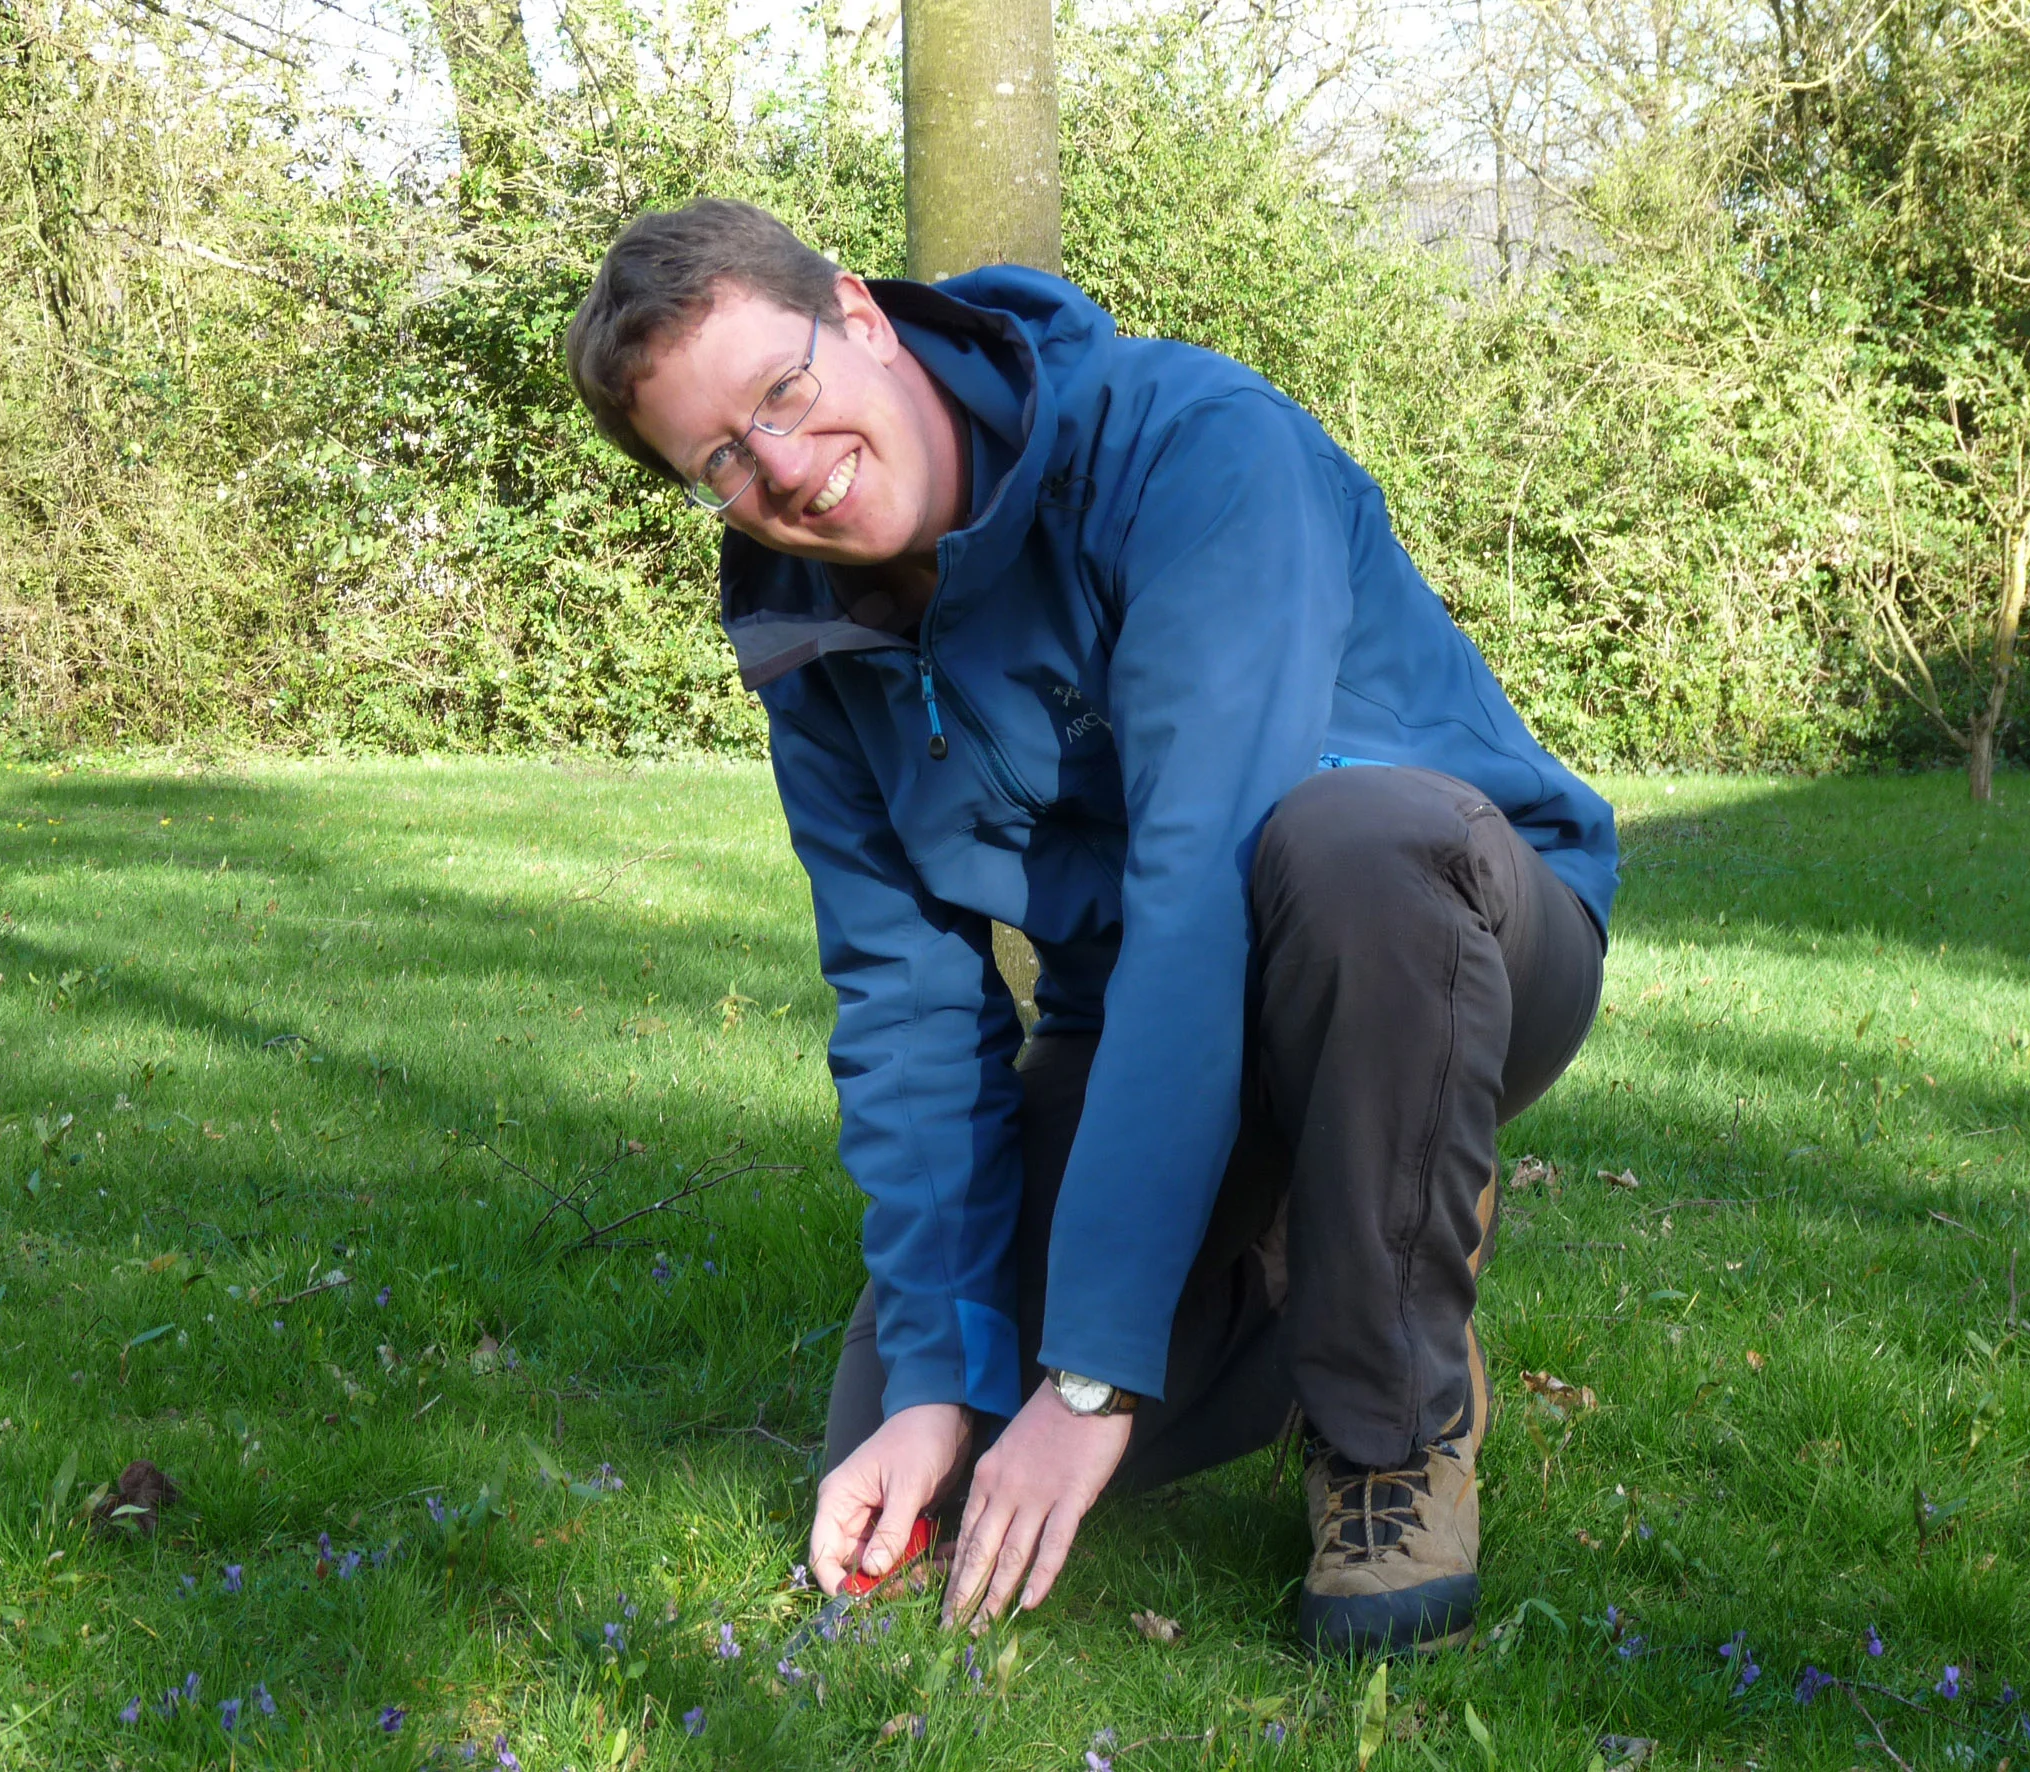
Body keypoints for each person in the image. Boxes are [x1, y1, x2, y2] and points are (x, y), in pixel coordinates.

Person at [565, 198, 1617, 1655]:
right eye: (721, 462)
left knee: (1348, 840)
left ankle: (1390, 1423)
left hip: (1436, 940)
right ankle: (1316, 1236)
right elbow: (905, 1001)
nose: (784, 472)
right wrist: (940, 1376)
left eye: (783, 393)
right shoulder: (807, 636)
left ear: (860, 318)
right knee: (922, 1441)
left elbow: (1202, 886)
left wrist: (1091, 1383)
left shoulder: (1188, 445)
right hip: (1135, 1011)